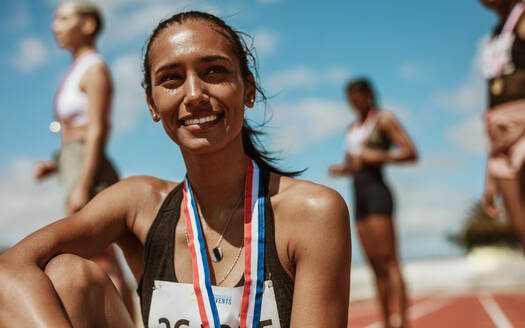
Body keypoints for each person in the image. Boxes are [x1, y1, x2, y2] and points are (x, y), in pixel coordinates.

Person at [0, 11, 351, 327]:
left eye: (214, 71)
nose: (195, 93)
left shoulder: (313, 213)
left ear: (248, 91)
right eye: (171, 79)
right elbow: (10, 269)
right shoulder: (138, 204)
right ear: (153, 105)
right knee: (67, 275)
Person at [31, 0, 137, 322]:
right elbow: (74, 134)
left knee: (101, 254)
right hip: (73, 161)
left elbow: (98, 128)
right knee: (96, 254)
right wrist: (56, 164)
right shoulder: (77, 69)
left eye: (63, 18)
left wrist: (83, 182)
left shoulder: (95, 68)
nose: (55, 25)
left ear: (88, 24)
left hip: (86, 167)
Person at [329, 78, 417, 328]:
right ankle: (387, 322)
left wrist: (376, 156)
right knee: (375, 267)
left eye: (357, 99)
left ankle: (404, 322)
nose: (354, 105)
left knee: (390, 262)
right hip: (360, 197)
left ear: (368, 95)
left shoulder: (384, 119)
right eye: (350, 101)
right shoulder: (352, 128)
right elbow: (353, 163)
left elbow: (410, 152)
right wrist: (342, 169)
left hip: (378, 193)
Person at [479, 0, 525, 252]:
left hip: (522, 123)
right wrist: (490, 177)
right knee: (519, 226)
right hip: (500, 133)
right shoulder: (496, 34)